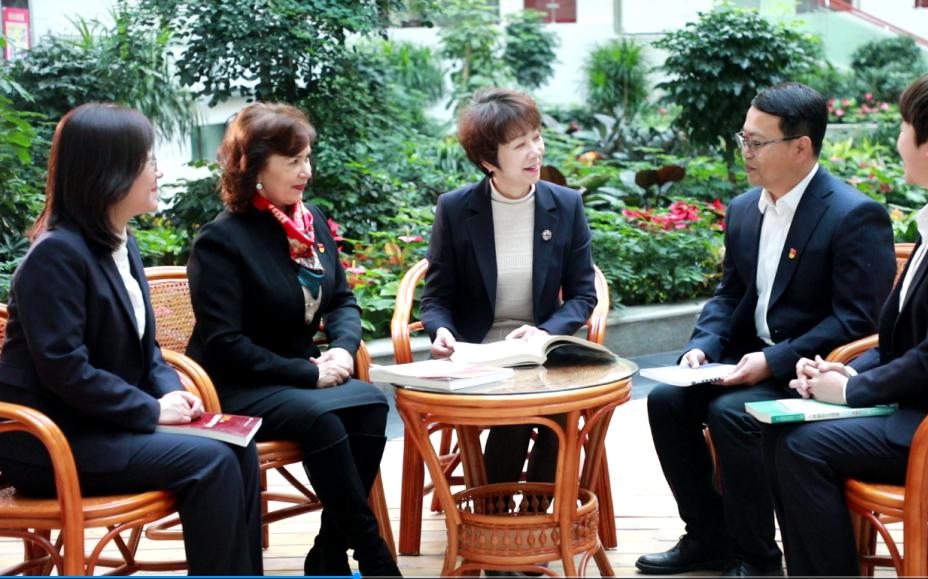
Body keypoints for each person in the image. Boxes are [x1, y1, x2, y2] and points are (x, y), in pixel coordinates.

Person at [767, 68, 928, 577]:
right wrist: (847, 373)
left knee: (802, 447)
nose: (898, 137)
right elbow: (904, 337)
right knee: (784, 431)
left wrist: (850, 392)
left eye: (904, 126)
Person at [636, 83, 896, 577]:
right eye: (744, 139)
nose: (746, 152)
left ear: (801, 147)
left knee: (732, 413)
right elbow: (729, 294)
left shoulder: (853, 215)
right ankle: (708, 536)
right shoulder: (744, 209)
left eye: (758, 142)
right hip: (747, 355)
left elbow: (858, 321)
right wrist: (703, 345)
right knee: (666, 401)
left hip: (812, 369)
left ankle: (757, 557)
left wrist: (773, 362)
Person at [0, 103, 262, 575]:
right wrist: (151, 410)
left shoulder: (120, 242)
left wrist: (172, 394)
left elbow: (148, 350)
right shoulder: (55, 255)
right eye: (147, 160)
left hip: (104, 426)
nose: (157, 171)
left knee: (238, 448)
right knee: (212, 462)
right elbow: (65, 369)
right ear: (109, 171)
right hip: (53, 442)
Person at [185, 103, 400, 577]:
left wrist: (341, 349)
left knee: (370, 403)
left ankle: (327, 553)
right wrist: (308, 373)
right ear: (255, 168)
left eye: (307, 158)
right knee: (321, 419)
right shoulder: (220, 241)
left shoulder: (310, 221)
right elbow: (224, 343)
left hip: (301, 376)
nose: (307, 171)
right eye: (294, 161)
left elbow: (341, 300)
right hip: (238, 383)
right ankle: (373, 555)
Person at [420, 87, 597, 488]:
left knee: (555, 405)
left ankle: (534, 512)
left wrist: (546, 332)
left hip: (539, 349)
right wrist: (441, 330)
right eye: (520, 145)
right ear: (488, 161)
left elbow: (583, 295)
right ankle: (501, 511)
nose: (536, 152)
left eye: (536, 137)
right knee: (519, 402)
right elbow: (436, 297)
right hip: (476, 351)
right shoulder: (456, 209)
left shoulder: (566, 205)